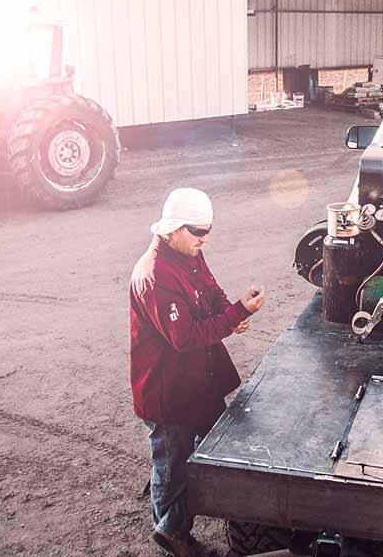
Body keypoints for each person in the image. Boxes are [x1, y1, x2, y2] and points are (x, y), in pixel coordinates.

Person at [130, 188, 266, 556]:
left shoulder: (188, 253)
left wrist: (233, 310)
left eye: (208, 230)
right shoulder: (155, 275)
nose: (205, 239)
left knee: (208, 448)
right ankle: (170, 531)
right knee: (172, 464)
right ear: (173, 229)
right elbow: (185, 336)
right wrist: (234, 316)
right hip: (168, 393)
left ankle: (182, 507)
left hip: (197, 382)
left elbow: (210, 290)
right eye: (198, 231)